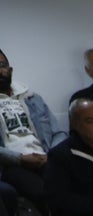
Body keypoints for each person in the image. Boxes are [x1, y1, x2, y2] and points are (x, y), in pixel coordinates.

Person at [0, 48, 66, 204]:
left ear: (10, 70)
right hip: (11, 165)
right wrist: (21, 159)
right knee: (46, 193)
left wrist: (50, 155)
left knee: (78, 184)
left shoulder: (33, 98)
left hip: (46, 158)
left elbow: (59, 133)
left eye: (1, 65)